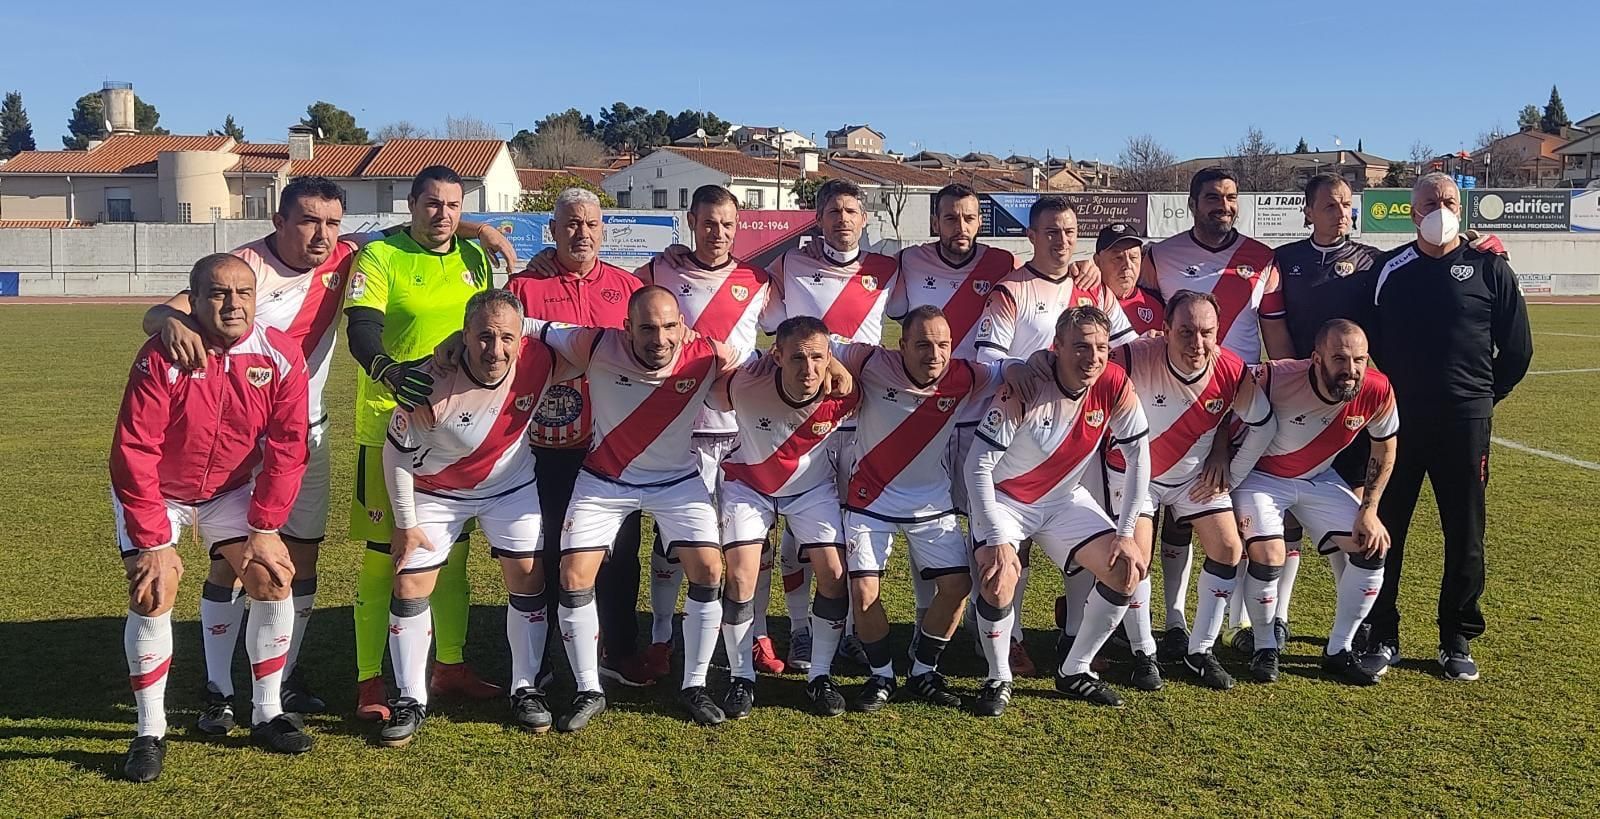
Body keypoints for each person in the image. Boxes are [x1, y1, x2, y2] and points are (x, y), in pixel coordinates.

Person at [138, 177, 516, 729]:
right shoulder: (245, 268)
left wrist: (476, 227)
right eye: (309, 220)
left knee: (300, 559)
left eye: (332, 222)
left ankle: (283, 678)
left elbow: (406, 230)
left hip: (306, 432)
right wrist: (168, 322)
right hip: (244, 437)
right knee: (231, 561)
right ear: (279, 221)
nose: (321, 233)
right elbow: (161, 312)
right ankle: (218, 685)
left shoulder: (343, 254)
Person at [112, 254, 311, 782]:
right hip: (161, 491)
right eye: (218, 294)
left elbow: (288, 449)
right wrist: (155, 540)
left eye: (243, 293)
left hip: (230, 490)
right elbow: (135, 448)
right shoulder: (163, 356)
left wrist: (265, 530)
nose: (232, 304)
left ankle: (267, 712)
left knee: (271, 577)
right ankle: (149, 732)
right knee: (155, 587)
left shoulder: (282, 354)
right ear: (194, 301)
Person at [534, 287, 754, 730]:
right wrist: (456, 343)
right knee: (573, 575)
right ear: (627, 328)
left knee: (710, 571)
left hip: (676, 481)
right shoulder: (594, 344)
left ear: (682, 326)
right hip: (604, 481)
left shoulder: (706, 352)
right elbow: (527, 325)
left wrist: (835, 374)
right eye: (648, 328)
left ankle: (693, 685)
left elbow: (757, 366)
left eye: (670, 327)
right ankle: (587, 689)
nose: (660, 338)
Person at [344, 165, 503, 720]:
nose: (443, 214)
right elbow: (360, 329)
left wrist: (483, 234)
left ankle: (451, 664)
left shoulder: (474, 258)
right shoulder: (381, 255)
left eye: (453, 205)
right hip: (390, 430)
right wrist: (389, 370)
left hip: (458, 435)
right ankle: (369, 682)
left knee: (451, 556)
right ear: (411, 204)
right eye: (432, 203)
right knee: (386, 558)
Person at [1360, 172, 1532, 681]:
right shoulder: (1391, 269)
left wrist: (1483, 397)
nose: (1440, 207)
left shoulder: (1490, 269)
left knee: (1465, 531)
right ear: (1412, 212)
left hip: (1465, 424)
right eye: (1431, 201)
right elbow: (1368, 347)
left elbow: (1518, 349)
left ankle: (1455, 636)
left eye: (1449, 200)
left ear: (1463, 207)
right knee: (1386, 528)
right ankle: (1381, 631)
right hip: (1397, 425)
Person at [378, 290, 564, 746]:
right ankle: (409, 698)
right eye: (483, 337)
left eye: (506, 338)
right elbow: (395, 455)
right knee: (409, 585)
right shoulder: (427, 379)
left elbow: (598, 345)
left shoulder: (541, 357)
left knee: (527, 577)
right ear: (464, 336)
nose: (495, 350)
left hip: (510, 488)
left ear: (522, 339)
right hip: (436, 494)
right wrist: (406, 523)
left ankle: (525, 687)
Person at [829, 306, 1024, 713]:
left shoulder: (965, 375)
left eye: (942, 345)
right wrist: (835, 366)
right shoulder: (869, 360)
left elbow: (1012, 368)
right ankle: (881, 675)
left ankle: (922, 671)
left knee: (957, 587)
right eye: (922, 345)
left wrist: (1037, 364)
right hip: (870, 499)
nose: (934, 355)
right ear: (900, 346)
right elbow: (815, 342)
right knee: (863, 592)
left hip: (931, 501)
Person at [970, 196, 1132, 675]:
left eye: (1068, 231)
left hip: (1081, 442)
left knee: (1086, 541)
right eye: (1051, 232)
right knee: (1011, 549)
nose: (1062, 241)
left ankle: (1075, 634)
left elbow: (1126, 350)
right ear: (1032, 237)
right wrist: (1017, 365)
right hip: (1016, 441)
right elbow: (986, 359)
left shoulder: (1093, 289)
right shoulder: (1011, 289)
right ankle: (1009, 639)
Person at [966, 306, 1151, 712]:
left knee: (1126, 570)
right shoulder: (1028, 384)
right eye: (1081, 346)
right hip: (1006, 501)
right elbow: (976, 465)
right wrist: (997, 538)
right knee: (999, 578)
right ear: (1057, 347)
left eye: (1101, 347)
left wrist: (1125, 531)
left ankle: (1075, 671)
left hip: (1063, 498)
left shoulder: (1114, 383)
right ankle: (998, 679)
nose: (1093, 357)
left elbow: (1140, 456)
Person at [1140, 166, 1293, 654]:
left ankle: (1245, 624)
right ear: (1191, 203)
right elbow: (1134, 311)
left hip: (1238, 405)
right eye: (1212, 198)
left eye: (1230, 198)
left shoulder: (1262, 258)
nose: (1222, 206)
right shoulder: (1159, 256)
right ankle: (1174, 618)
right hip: (1176, 405)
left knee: (1234, 511)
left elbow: (1276, 339)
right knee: (1174, 518)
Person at [1093, 291, 1274, 691]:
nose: (1197, 343)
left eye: (1207, 333)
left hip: (1193, 480)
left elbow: (1264, 425)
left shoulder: (1231, 369)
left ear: (1218, 333)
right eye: (1186, 332)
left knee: (1229, 549)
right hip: (1131, 474)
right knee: (1134, 559)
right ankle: (1144, 652)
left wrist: (1231, 472)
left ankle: (1200, 651)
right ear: (1165, 330)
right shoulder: (1131, 357)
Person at [505, 188, 649, 687]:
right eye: (570, 223)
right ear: (552, 229)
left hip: (611, 444)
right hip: (543, 445)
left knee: (619, 551)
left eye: (590, 223)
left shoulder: (629, 287)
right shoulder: (523, 288)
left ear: (603, 230)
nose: (581, 233)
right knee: (543, 548)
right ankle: (540, 660)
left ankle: (619, 647)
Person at [764, 178, 901, 670]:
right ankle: (800, 631)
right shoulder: (788, 266)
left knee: (844, 532)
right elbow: (750, 313)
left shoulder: (888, 271)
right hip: (802, 418)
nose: (843, 220)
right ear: (818, 219)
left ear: (864, 219)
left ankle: (839, 630)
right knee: (802, 533)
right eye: (834, 211)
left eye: (851, 211)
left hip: (861, 419)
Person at [1232, 320, 1398, 685]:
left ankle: (1339, 650)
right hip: (1262, 478)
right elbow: (1224, 392)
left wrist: (1369, 509)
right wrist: (1218, 459)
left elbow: (1385, 448)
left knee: (1372, 546)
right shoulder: (1275, 376)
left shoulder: (1378, 389)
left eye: (1359, 360)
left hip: (1319, 480)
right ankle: (1264, 648)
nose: (1351, 370)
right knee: (1270, 553)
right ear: (1316, 359)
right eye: (1339, 359)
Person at [709, 316, 857, 717]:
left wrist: (839, 363)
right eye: (796, 358)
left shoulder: (846, 390)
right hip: (749, 485)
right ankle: (742, 678)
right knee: (740, 575)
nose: (807, 369)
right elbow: (715, 370)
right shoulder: (744, 384)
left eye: (817, 358)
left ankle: (819, 677)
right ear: (776, 356)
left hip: (811, 490)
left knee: (834, 574)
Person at [1093, 223, 1165, 337]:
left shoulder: (1157, 302)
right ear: (1097, 261)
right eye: (1118, 258)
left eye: (1134, 257)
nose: (1127, 265)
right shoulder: (1087, 298)